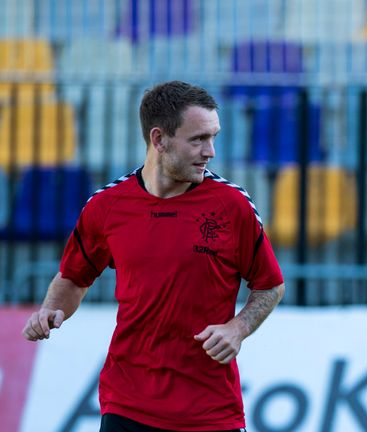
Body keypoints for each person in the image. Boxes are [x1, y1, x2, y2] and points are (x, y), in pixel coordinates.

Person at [22, 80, 285, 432]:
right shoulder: (106, 206)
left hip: (210, 411)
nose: (211, 151)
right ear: (159, 139)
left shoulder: (232, 205)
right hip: (127, 404)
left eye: (213, 137)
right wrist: (51, 309)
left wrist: (238, 328)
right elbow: (73, 277)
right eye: (198, 139)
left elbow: (270, 286)